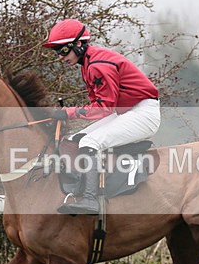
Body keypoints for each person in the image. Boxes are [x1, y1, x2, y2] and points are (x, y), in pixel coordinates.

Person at [43, 19, 161, 214]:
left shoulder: (97, 65)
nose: (60, 57)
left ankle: (91, 200)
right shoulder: (87, 63)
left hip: (143, 113)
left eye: (63, 51)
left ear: (79, 44)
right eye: (58, 52)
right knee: (75, 140)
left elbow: (104, 108)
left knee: (90, 142)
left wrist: (67, 113)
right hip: (128, 111)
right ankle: (80, 190)